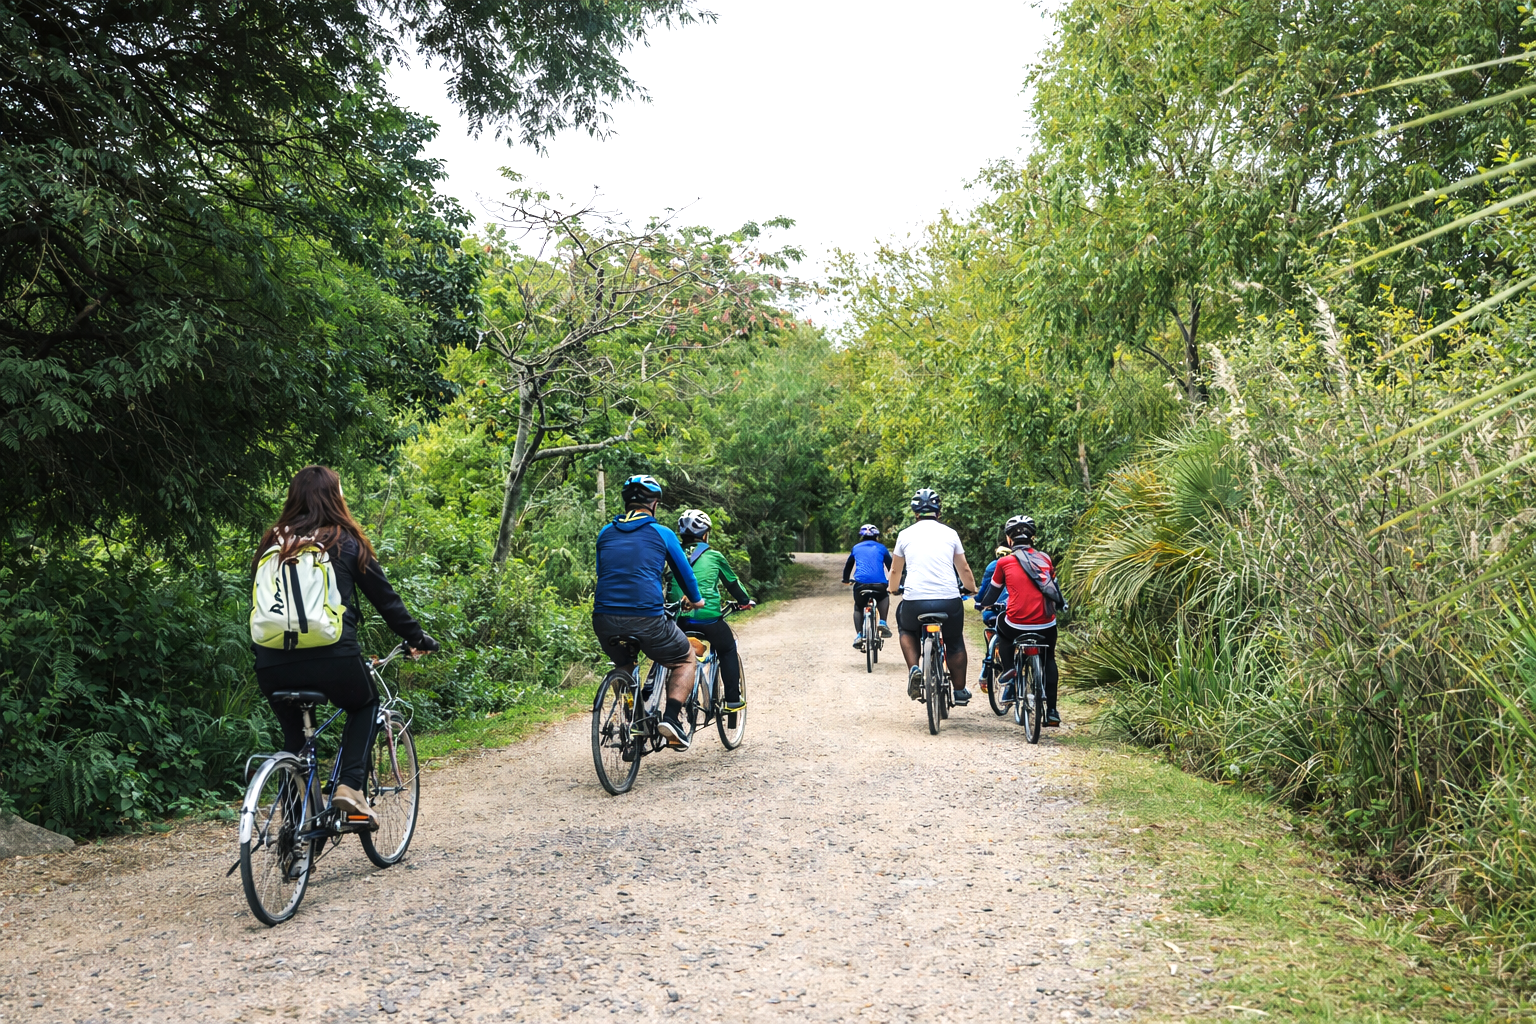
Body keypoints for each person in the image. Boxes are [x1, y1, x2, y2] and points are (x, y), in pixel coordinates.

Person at [251, 465, 438, 827]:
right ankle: (350, 787)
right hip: (332, 657)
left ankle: (296, 834)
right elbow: (387, 602)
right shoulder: (344, 541)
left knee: (294, 739)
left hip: (272, 662)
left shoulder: (272, 543)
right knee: (364, 704)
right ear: (334, 498)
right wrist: (417, 638)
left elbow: (261, 604)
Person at [593, 475, 706, 750]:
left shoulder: (605, 533)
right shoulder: (662, 533)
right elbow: (685, 574)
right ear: (654, 504)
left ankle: (633, 720)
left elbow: (602, 572)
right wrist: (696, 600)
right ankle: (671, 719)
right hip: (647, 618)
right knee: (685, 658)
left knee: (624, 665)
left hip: (604, 619)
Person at [889, 488, 979, 704]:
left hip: (915, 602)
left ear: (915, 513)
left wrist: (893, 589)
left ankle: (914, 668)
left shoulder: (905, 535)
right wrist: (971, 588)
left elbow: (895, 570)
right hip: (948, 601)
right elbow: (964, 568)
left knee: (906, 629)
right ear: (938, 512)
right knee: (954, 641)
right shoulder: (950, 534)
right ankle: (959, 690)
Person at [977, 515, 1062, 726]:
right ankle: (1052, 711)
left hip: (1016, 623)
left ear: (1009, 539)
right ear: (1033, 538)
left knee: (1002, 627)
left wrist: (983, 604)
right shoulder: (1045, 559)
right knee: (1049, 659)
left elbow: (993, 593)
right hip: (1046, 624)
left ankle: (1010, 670)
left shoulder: (1004, 562)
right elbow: (1053, 587)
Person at [668, 509, 754, 714]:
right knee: (727, 648)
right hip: (708, 619)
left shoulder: (671, 555)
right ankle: (732, 700)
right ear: (705, 534)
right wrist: (744, 601)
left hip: (678, 619)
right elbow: (732, 583)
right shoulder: (714, 556)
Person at [842, 523, 893, 648]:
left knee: (858, 607)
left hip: (861, 585)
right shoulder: (882, 548)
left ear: (861, 537)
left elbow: (848, 566)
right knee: (884, 596)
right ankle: (882, 621)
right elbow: (891, 567)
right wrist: (893, 582)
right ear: (877, 537)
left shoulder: (856, 548)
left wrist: (846, 579)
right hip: (879, 584)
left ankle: (859, 635)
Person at [976, 542, 1012, 693]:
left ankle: (986, 669)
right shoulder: (1017, 565)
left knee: (992, 634)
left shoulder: (992, 566)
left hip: (992, 612)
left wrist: (979, 602)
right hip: (1012, 612)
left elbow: (985, 588)